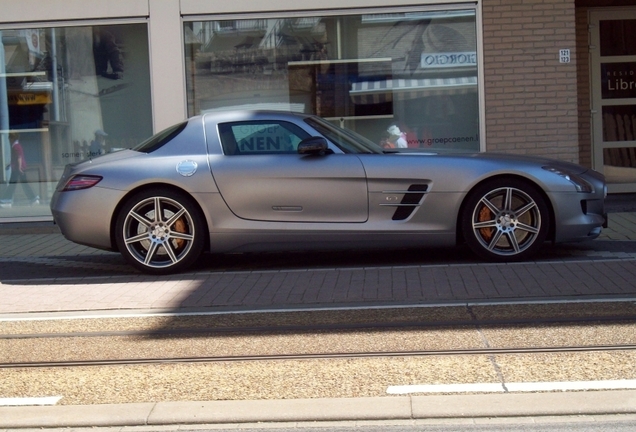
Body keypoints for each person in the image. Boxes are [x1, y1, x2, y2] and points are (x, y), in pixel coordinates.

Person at [0, 132, 39, 208]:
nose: (9, 140)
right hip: (19, 168)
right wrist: (10, 164)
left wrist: (19, 168)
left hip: (18, 169)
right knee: (24, 184)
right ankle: (33, 199)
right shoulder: (17, 145)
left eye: (9, 138)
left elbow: (19, 157)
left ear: (12, 138)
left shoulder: (16, 146)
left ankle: (7, 201)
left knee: (12, 185)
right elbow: (16, 158)